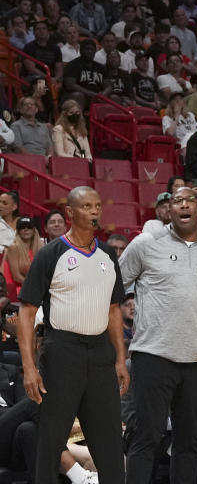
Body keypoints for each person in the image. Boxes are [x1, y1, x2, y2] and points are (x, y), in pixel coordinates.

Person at [120, 185, 197, 484]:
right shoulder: (145, 243)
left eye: (189, 200)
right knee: (146, 437)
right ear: (170, 210)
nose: (182, 205)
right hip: (153, 356)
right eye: (176, 201)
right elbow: (114, 287)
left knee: (189, 441)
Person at [16, 187, 128, 483]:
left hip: (101, 353)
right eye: (86, 206)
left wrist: (120, 358)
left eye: (97, 206)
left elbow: (114, 309)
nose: (94, 212)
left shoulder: (107, 255)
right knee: (51, 438)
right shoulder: (51, 253)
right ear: (70, 212)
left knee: (109, 440)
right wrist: (29, 367)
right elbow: (27, 313)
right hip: (62, 351)